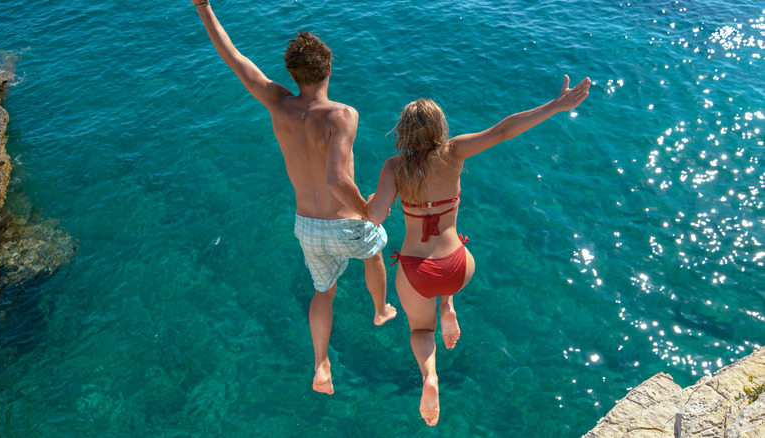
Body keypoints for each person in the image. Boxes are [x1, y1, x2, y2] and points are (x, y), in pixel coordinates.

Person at [190, 1, 397, 395]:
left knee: (324, 292)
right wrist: (368, 211)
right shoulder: (342, 115)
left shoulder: (278, 104)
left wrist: (203, 7)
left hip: (307, 227)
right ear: (329, 70)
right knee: (373, 251)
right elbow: (337, 180)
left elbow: (234, 57)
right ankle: (380, 310)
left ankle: (321, 363)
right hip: (345, 222)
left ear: (291, 74)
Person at [366, 75, 591, 425]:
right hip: (458, 268)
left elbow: (375, 216)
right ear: (440, 127)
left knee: (420, 332)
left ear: (404, 132)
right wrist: (555, 106)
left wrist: (367, 202)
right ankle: (449, 307)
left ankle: (430, 376)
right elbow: (503, 131)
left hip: (416, 275)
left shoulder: (395, 167)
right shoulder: (454, 152)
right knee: (451, 250)